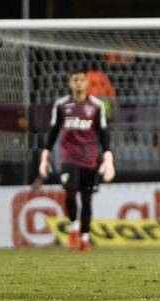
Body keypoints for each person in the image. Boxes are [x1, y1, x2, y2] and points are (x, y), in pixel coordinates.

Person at [39, 69, 115, 251]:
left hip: (90, 158)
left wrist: (108, 157)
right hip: (69, 157)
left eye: (82, 80)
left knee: (87, 200)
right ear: (70, 83)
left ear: (86, 83)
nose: (79, 83)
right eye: (76, 80)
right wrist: (45, 156)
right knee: (71, 192)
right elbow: (54, 131)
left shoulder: (97, 105)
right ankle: (74, 228)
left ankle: (85, 238)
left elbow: (103, 133)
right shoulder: (62, 105)